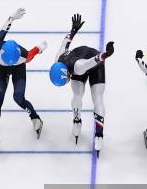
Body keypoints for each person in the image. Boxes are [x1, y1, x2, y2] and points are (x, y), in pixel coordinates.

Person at [49, 14, 114, 154]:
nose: (67, 82)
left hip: (94, 63)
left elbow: (91, 63)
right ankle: (77, 120)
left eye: (65, 81)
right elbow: (65, 43)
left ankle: (99, 134)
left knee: (97, 98)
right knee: (77, 95)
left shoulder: (77, 68)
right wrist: (73, 30)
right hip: (82, 60)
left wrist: (105, 55)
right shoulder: (58, 59)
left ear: (67, 75)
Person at [0, 8, 47, 155]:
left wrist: (40, 47)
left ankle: (35, 117)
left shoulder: (23, 55)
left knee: (18, 98)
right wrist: (11, 18)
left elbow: (33, 52)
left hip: (18, 69)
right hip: (0, 69)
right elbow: (4, 30)